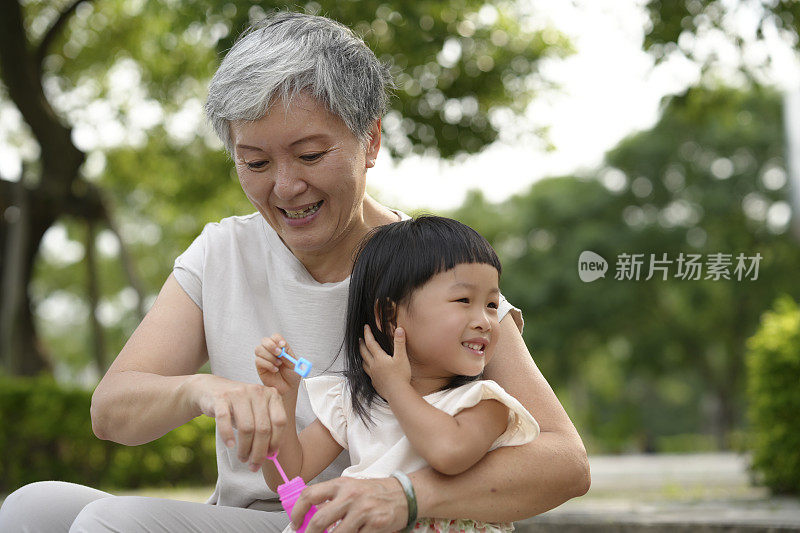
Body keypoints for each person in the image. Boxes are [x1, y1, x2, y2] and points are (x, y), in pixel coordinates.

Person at [0, 11, 589, 533]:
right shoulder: (221, 252)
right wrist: (203, 389)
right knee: (30, 509)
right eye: (254, 162)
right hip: (258, 519)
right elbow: (112, 412)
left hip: (351, 525)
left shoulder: (434, 272)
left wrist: (407, 494)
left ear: (370, 142)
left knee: (109, 521)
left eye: (310, 155)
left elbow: (565, 461)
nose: (285, 187)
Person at [256, 216, 541, 533]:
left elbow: (448, 453)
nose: (485, 321)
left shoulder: (485, 402)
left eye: (490, 304)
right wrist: (284, 395)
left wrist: (395, 388)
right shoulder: (353, 401)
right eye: (464, 300)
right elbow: (288, 473)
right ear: (389, 316)